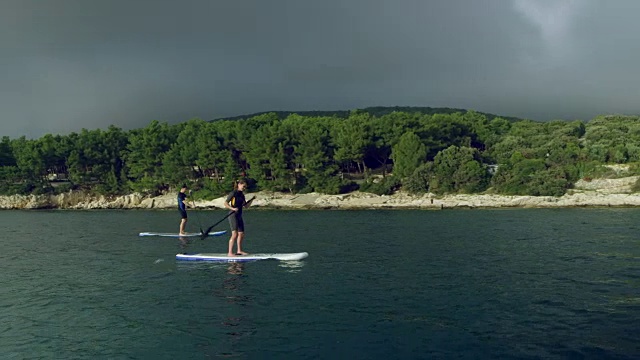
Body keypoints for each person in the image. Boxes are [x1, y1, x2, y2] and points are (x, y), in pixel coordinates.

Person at [224, 179, 254, 256]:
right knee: (234, 234)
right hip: (233, 214)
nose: (244, 188)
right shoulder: (233, 193)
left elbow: (246, 206)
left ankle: (239, 250)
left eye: (245, 187)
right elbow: (225, 203)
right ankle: (230, 252)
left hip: (239, 215)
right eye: (243, 186)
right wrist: (233, 208)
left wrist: (252, 200)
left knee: (241, 234)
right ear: (239, 185)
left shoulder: (242, 195)